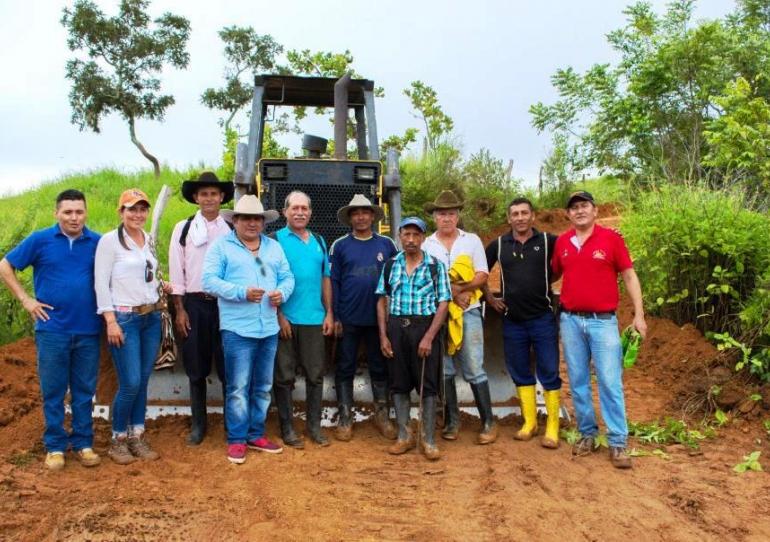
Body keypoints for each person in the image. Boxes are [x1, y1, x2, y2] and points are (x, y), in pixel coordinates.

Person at [0, 190, 102, 470]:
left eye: (79, 212)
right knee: (54, 390)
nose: (74, 217)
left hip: (88, 329)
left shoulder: (98, 242)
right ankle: (55, 446)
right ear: (56, 213)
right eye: (68, 212)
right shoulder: (40, 240)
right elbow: (5, 265)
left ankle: (83, 443)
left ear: (86, 213)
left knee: (84, 390)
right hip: (52, 329)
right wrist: (26, 300)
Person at [552, 191, 648, 469]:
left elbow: (629, 275)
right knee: (578, 380)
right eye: (574, 208)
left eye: (584, 206)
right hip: (570, 321)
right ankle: (587, 434)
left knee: (609, 381)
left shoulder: (612, 239)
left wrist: (639, 315)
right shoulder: (562, 243)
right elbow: (554, 273)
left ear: (595, 211)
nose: (579, 211)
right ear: (568, 215)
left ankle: (618, 442)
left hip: (603, 321)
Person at [202, 195, 294, 464]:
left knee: (263, 386)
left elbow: (287, 277)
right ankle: (237, 439)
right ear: (236, 221)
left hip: (267, 328)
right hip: (237, 329)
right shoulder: (222, 247)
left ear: (263, 222)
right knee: (239, 387)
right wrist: (241, 292)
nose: (253, 223)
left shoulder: (273, 248)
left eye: (257, 219)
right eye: (247, 219)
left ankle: (256, 434)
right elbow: (208, 281)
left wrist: (281, 294)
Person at [95, 188, 170, 465]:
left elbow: (148, 276)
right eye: (131, 209)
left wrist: (162, 287)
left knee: (143, 380)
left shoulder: (147, 239)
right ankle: (117, 438)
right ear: (121, 212)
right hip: (124, 318)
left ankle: (137, 434)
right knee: (130, 382)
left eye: (142, 209)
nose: (138, 214)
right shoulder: (109, 242)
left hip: (150, 317)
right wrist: (110, 320)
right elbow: (101, 283)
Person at [422, 190, 498, 445]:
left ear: (458, 216)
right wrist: (453, 293)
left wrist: (462, 292)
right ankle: (452, 421)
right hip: (438, 313)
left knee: (474, 367)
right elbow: (426, 279)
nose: (447, 218)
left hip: (469, 310)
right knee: (444, 368)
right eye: (442, 213)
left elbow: (482, 274)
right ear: (434, 217)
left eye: (451, 213)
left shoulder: (472, 240)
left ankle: (488, 421)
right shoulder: (426, 244)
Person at [484, 197, 561, 448]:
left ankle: (552, 425)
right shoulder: (498, 245)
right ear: (509, 219)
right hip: (512, 321)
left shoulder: (549, 242)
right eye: (515, 213)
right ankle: (529, 422)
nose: (520, 217)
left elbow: (566, 261)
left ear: (533, 216)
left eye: (524, 213)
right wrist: (489, 298)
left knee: (549, 370)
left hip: (542, 319)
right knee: (519, 370)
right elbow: (480, 272)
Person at [376, 217, 451, 460]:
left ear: (422, 238)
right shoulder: (390, 265)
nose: (410, 240)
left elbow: (443, 303)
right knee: (398, 384)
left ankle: (428, 440)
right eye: (406, 234)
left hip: (424, 327)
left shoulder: (435, 266)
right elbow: (381, 300)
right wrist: (384, 336)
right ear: (400, 236)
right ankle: (404, 435)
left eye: (416, 235)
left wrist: (429, 337)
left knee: (427, 385)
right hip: (397, 327)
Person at [168, 171, 234, 445]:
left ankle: (233, 424)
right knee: (196, 366)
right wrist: (180, 309)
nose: (209, 198)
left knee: (229, 365)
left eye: (214, 194)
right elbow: (176, 271)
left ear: (221, 198)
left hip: (226, 304)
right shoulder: (183, 229)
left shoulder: (231, 229)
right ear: (196, 198)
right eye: (204, 194)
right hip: (194, 305)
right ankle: (198, 425)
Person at [329, 194, 398, 442]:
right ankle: (346, 417)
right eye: (355, 213)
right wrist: (335, 315)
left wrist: (393, 316)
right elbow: (333, 282)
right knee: (345, 365)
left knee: (380, 366)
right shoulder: (339, 246)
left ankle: (382, 415)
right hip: (348, 318)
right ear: (350, 218)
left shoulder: (387, 245)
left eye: (365, 212)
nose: (360, 217)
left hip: (379, 321)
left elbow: (395, 279)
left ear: (372, 216)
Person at [273, 191, 333, 448]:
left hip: (314, 319)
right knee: (284, 376)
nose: (299, 212)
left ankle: (314, 428)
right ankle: (287, 429)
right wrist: (279, 315)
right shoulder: (274, 241)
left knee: (315, 375)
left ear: (310, 212)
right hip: (286, 319)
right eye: (294, 208)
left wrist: (329, 312)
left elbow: (325, 279)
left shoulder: (319, 241)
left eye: (304, 208)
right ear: (285, 212)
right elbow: (268, 281)